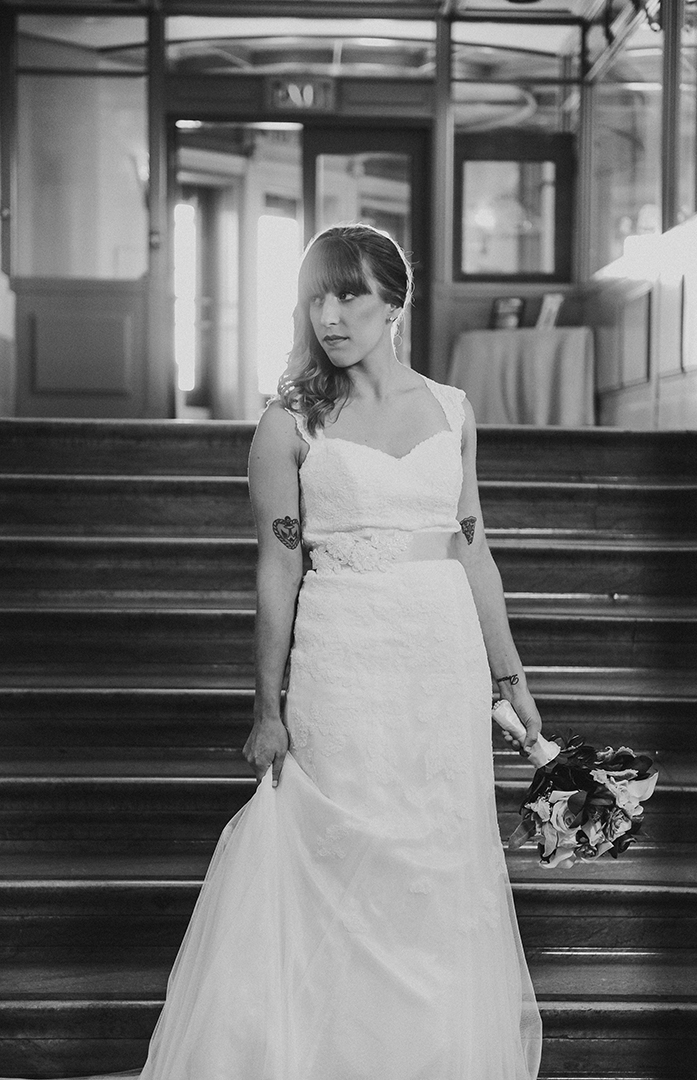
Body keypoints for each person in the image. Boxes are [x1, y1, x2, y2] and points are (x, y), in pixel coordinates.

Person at [137, 223, 543, 1079]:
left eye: (349, 294)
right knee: (342, 849)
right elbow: (277, 568)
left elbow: (472, 548)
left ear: (393, 302)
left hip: (439, 657)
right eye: (316, 295)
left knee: (436, 859)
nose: (329, 314)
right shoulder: (288, 424)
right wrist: (266, 706)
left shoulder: (451, 409)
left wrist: (509, 678)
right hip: (342, 654)